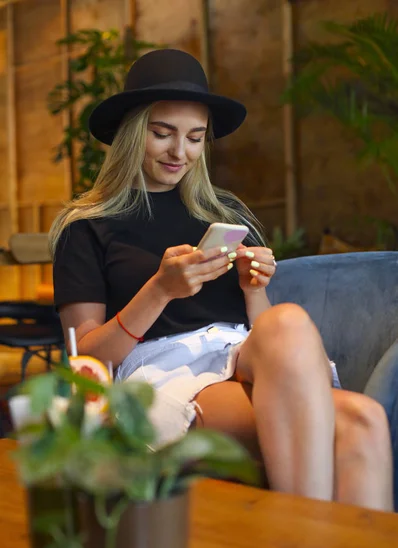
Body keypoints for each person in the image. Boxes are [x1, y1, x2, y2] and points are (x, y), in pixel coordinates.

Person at [50, 49, 393, 511]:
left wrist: (254, 289)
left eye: (195, 138)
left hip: (239, 355)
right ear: (132, 133)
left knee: (286, 321)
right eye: (162, 134)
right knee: (362, 421)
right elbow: (84, 359)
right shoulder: (87, 226)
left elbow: (260, 331)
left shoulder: (224, 215)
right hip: (160, 372)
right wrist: (160, 290)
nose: (180, 152)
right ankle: (306, 547)